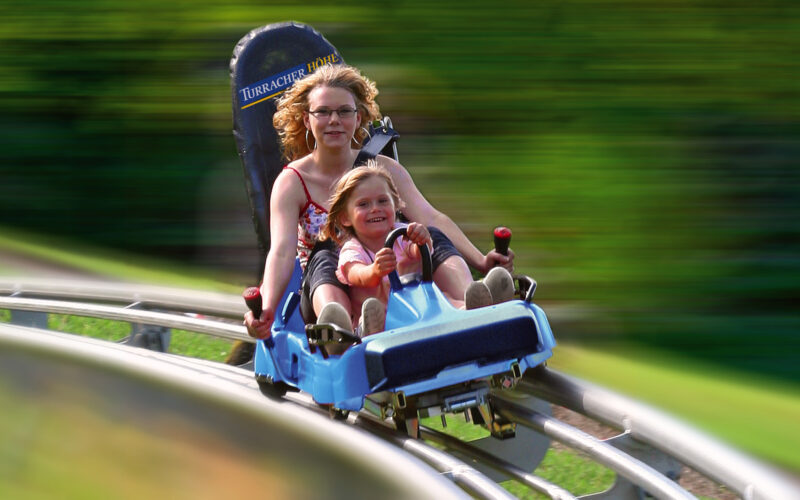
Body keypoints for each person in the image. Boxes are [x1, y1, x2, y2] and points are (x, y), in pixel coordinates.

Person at [244, 63, 514, 340]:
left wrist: (482, 261)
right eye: (323, 112)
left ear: (358, 118)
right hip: (334, 285)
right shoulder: (292, 182)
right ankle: (340, 329)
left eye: (344, 112)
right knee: (325, 256)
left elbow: (432, 217)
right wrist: (266, 306)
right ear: (306, 120)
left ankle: (472, 304)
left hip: (395, 273)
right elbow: (281, 252)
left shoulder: (383, 168)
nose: (334, 120)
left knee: (428, 234)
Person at [322, 163, 514, 336]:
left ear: (396, 204)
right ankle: (369, 332)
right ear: (345, 218)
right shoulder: (353, 249)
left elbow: (419, 254)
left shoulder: (402, 233)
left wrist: (421, 240)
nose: (375, 209)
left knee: (445, 299)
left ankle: (476, 310)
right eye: (363, 204)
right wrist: (374, 271)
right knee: (374, 312)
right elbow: (355, 273)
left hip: (419, 305)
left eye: (383, 201)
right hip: (386, 316)